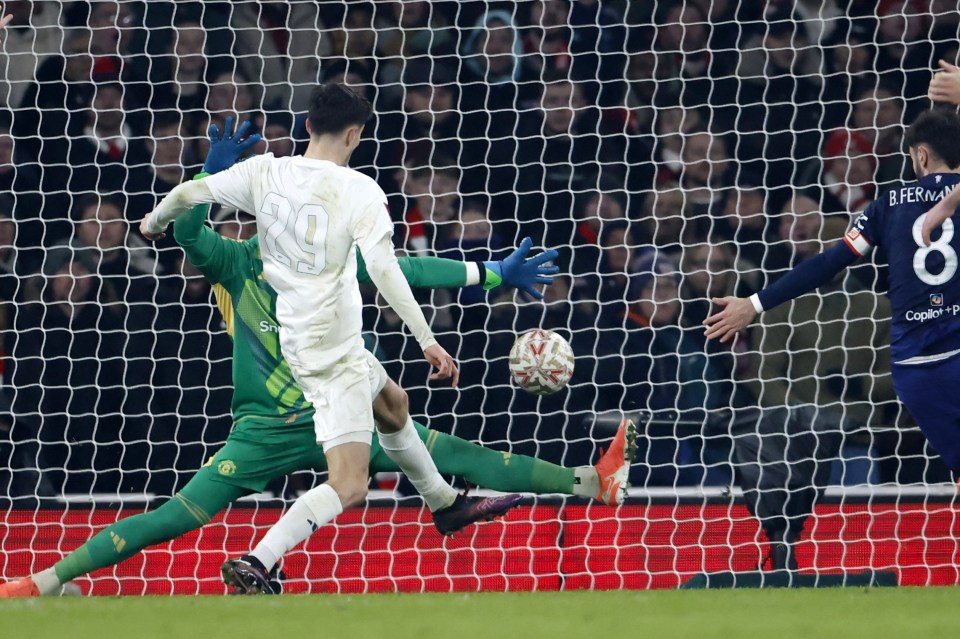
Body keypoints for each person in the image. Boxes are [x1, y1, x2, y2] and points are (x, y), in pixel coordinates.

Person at [0, 119, 635, 598]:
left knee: (449, 447)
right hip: (267, 428)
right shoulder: (233, 262)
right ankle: (45, 581)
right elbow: (182, 226)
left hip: (334, 407)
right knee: (174, 516)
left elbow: (405, 267)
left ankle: (588, 482)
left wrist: (492, 273)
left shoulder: (323, 257)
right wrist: (198, 175)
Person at [138, 84, 535, 589]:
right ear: (355, 134)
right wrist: (427, 340)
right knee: (349, 485)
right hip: (334, 354)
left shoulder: (266, 171)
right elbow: (390, 273)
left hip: (308, 344)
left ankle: (444, 504)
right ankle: (259, 560)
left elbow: (190, 194)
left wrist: (154, 222)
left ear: (307, 127)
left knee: (393, 404)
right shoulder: (361, 191)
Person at [704, 109, 960, 478]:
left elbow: (829, 262)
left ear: (920, 155)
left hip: (915, 368)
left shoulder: (887, 206)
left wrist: (754, 303)